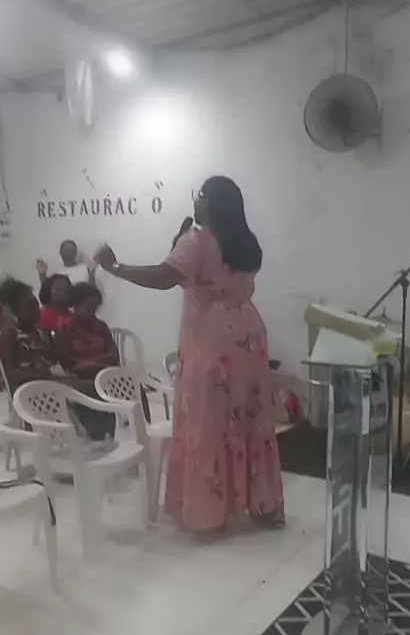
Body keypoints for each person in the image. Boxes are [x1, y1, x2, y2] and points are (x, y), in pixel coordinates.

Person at [95, 175, 284, 533]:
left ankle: (209, 513)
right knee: (250, 418)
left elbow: (164, 276)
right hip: (248, 338)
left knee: (206, 421)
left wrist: (115, 268)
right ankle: (264, 504)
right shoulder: (246, 243)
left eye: (198, 195)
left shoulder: (198, 239)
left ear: (209, 202)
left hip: (210, 339)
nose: (195, 201)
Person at [0, 276, 113, 442]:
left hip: (52, 382)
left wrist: (61, 360)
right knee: (92, 389)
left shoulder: (38, 332)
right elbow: (11, 374)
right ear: (14, 311)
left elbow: (57, 359)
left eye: (36, 306)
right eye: (30, 307)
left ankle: (98, 437)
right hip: (32, 391)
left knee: (95, 386)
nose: (37, 311)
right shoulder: (10, 334)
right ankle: (97, 439)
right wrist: (51, 377)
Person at [55, 283, 118, 379]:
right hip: (80, 375)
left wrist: (96, 362)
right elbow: (67, 360)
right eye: (89, 307)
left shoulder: (101, 326)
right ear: (76, 305)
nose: (92, 312)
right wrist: (97, 362)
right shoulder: (64, 328)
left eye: (95, 308)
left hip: (106, 370)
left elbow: (113, 353)